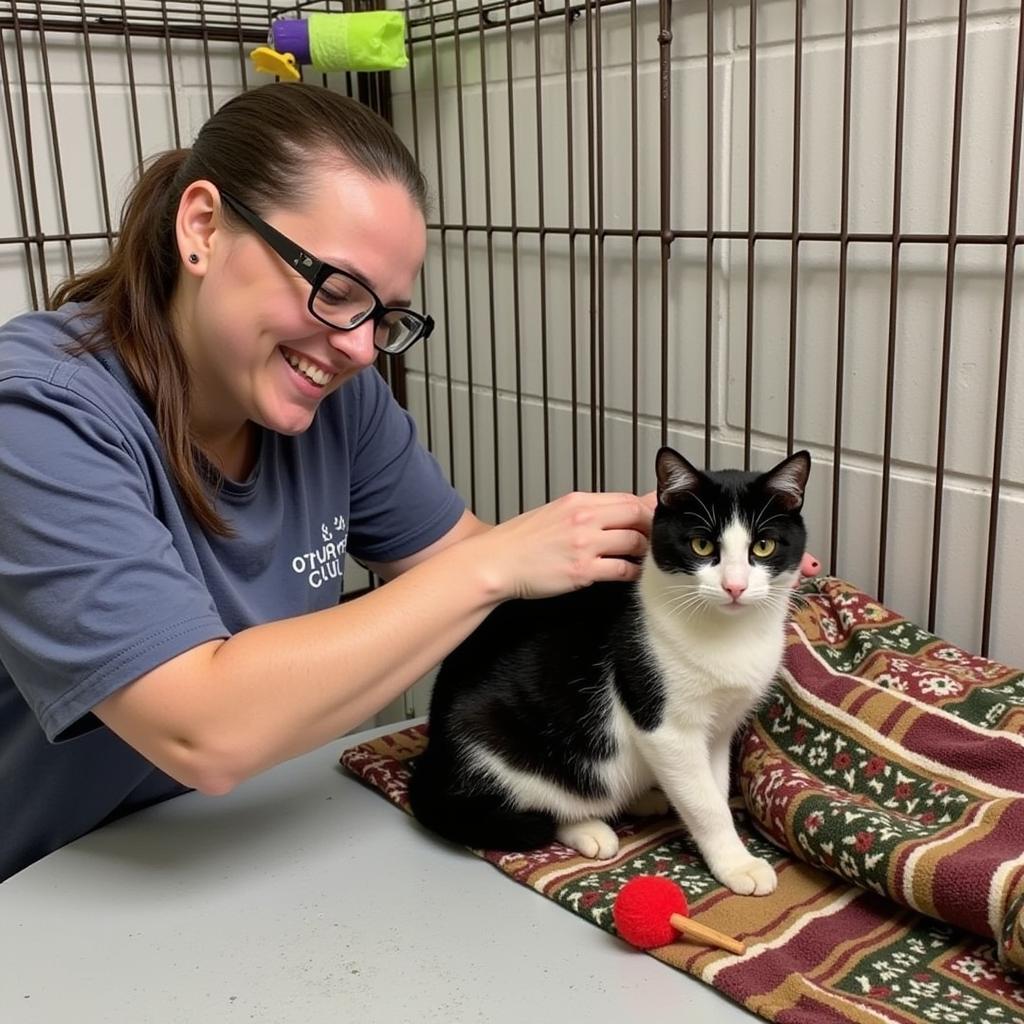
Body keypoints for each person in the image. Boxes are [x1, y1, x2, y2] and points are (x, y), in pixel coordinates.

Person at [0, 82, 817, 882]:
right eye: (336, 289)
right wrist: (496, 563)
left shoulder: (336, 400)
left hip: (236, 840)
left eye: (385, 316)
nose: (362, 349)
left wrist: (663, 562)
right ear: (203, 227)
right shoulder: (37, 415)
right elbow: (200, 732)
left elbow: (467, 580)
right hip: (52, 874)